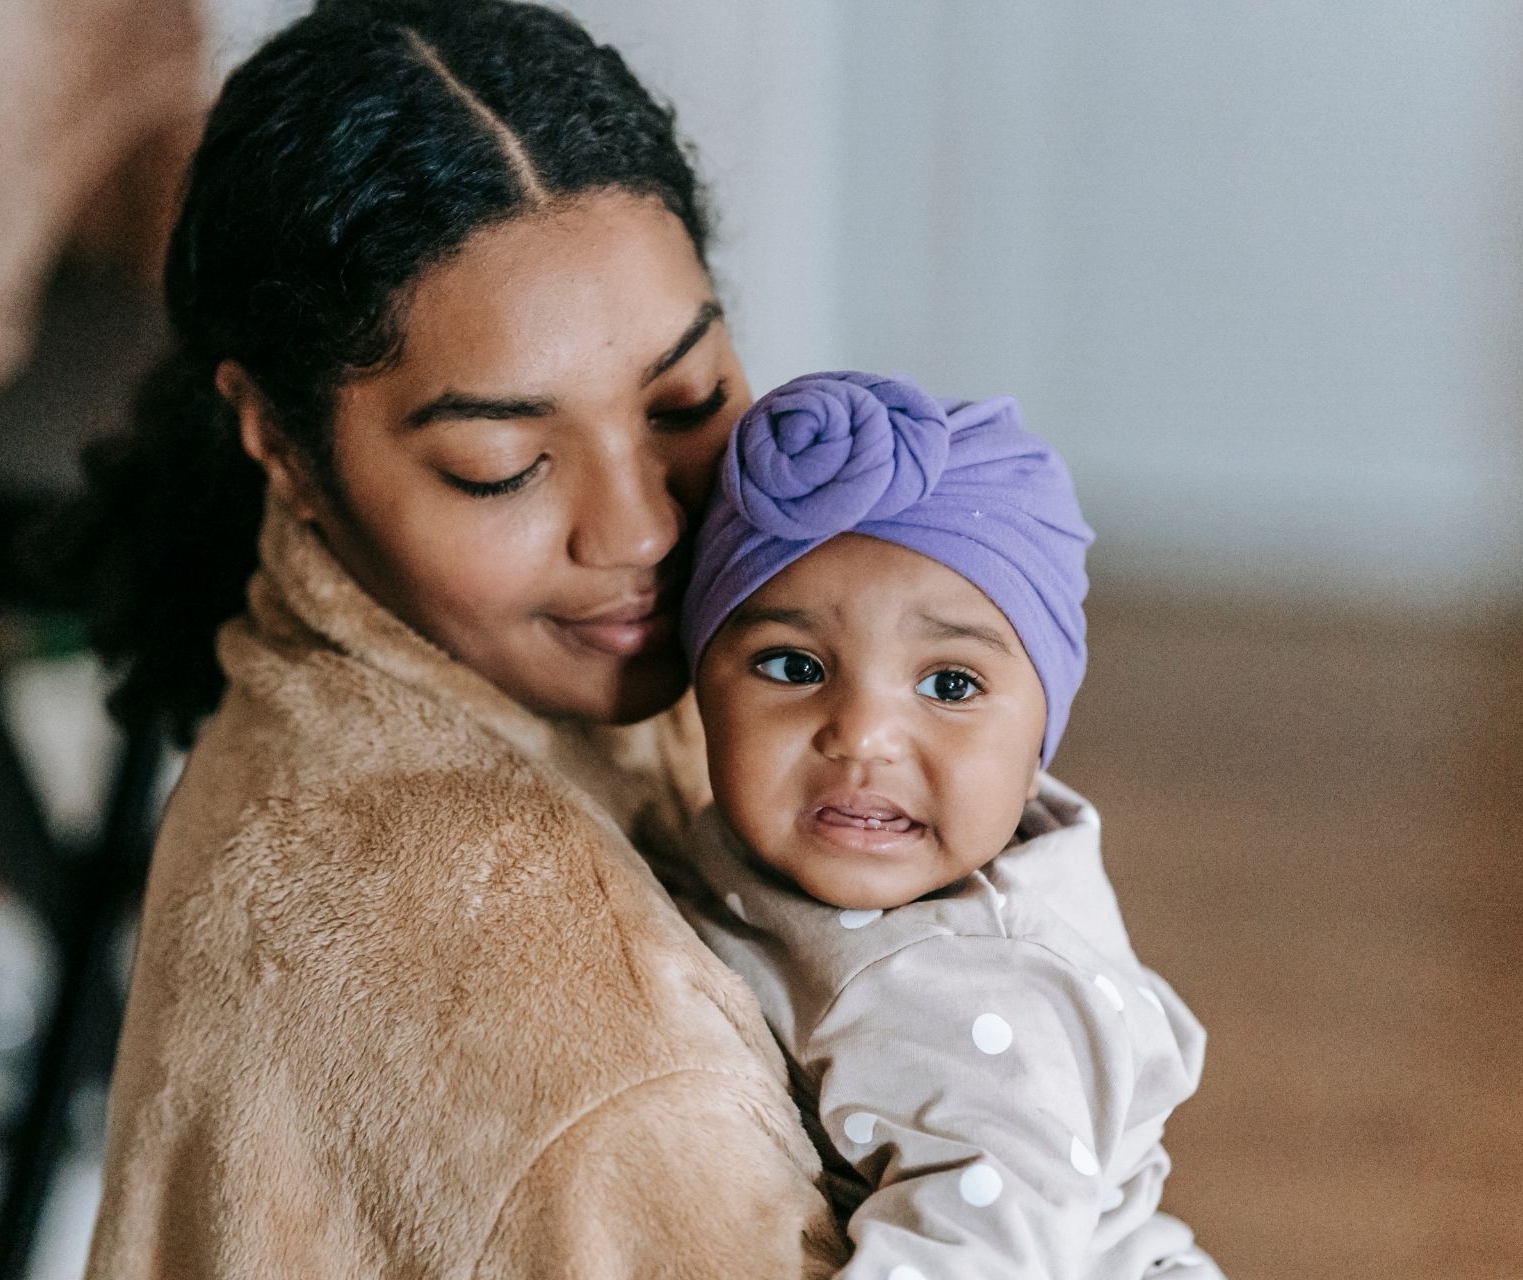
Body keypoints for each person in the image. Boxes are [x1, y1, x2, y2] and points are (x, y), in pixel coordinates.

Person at [61, 1, 846, 1275]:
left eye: (687, 398)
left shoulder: (354, 689)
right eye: (503, 464)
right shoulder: (585, 1037)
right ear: (278, 442)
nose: (643, 526)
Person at [670, 371, 1224, 1277]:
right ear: (701, 690)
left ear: (1038, 737)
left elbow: (981, 1254)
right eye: (791, 664)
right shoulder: (731, 844)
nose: (862, 737)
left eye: (951, 685)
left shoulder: (966, 990)